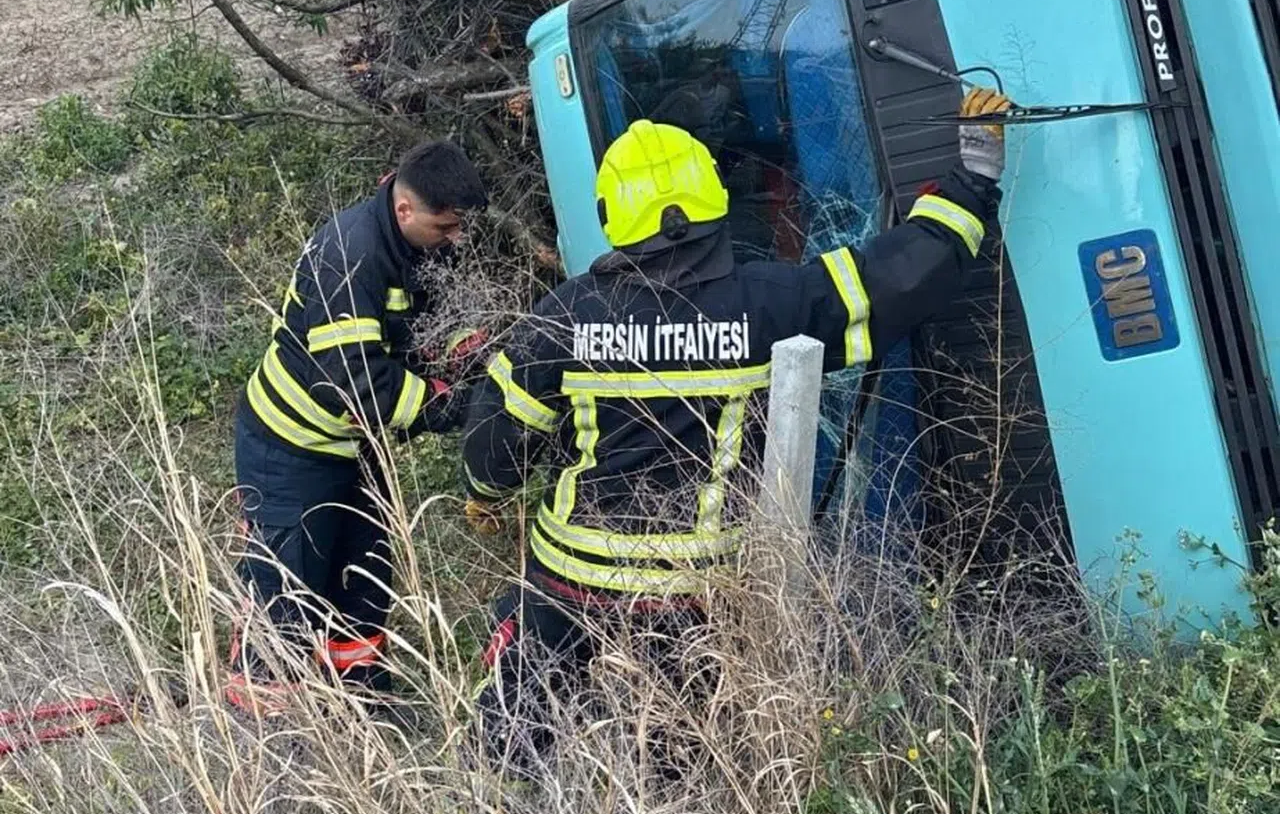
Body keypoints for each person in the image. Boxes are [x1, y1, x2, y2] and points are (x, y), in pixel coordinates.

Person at [460, 87, 1011, 774]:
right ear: (712, 204)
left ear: (614, 219)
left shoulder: (563, 317)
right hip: (696, 588)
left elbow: (494, 445)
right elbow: (902, 273)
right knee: (684, 749)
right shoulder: (769, 303)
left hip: (571, 574)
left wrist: (485, 493)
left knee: (515, 722)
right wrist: (976, 167)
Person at [230, 139, 488, 712]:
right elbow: (354, 382)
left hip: (356, 449)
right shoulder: (348, 255)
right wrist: (447, 407)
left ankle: (359, 697)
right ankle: (272, 720)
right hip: (291, 447)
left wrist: (461, 351)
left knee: (363, 574)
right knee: (289, 589)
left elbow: (430, 323)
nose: (457, 239)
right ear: (405, 209)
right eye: (446, 227)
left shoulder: (427, 244)